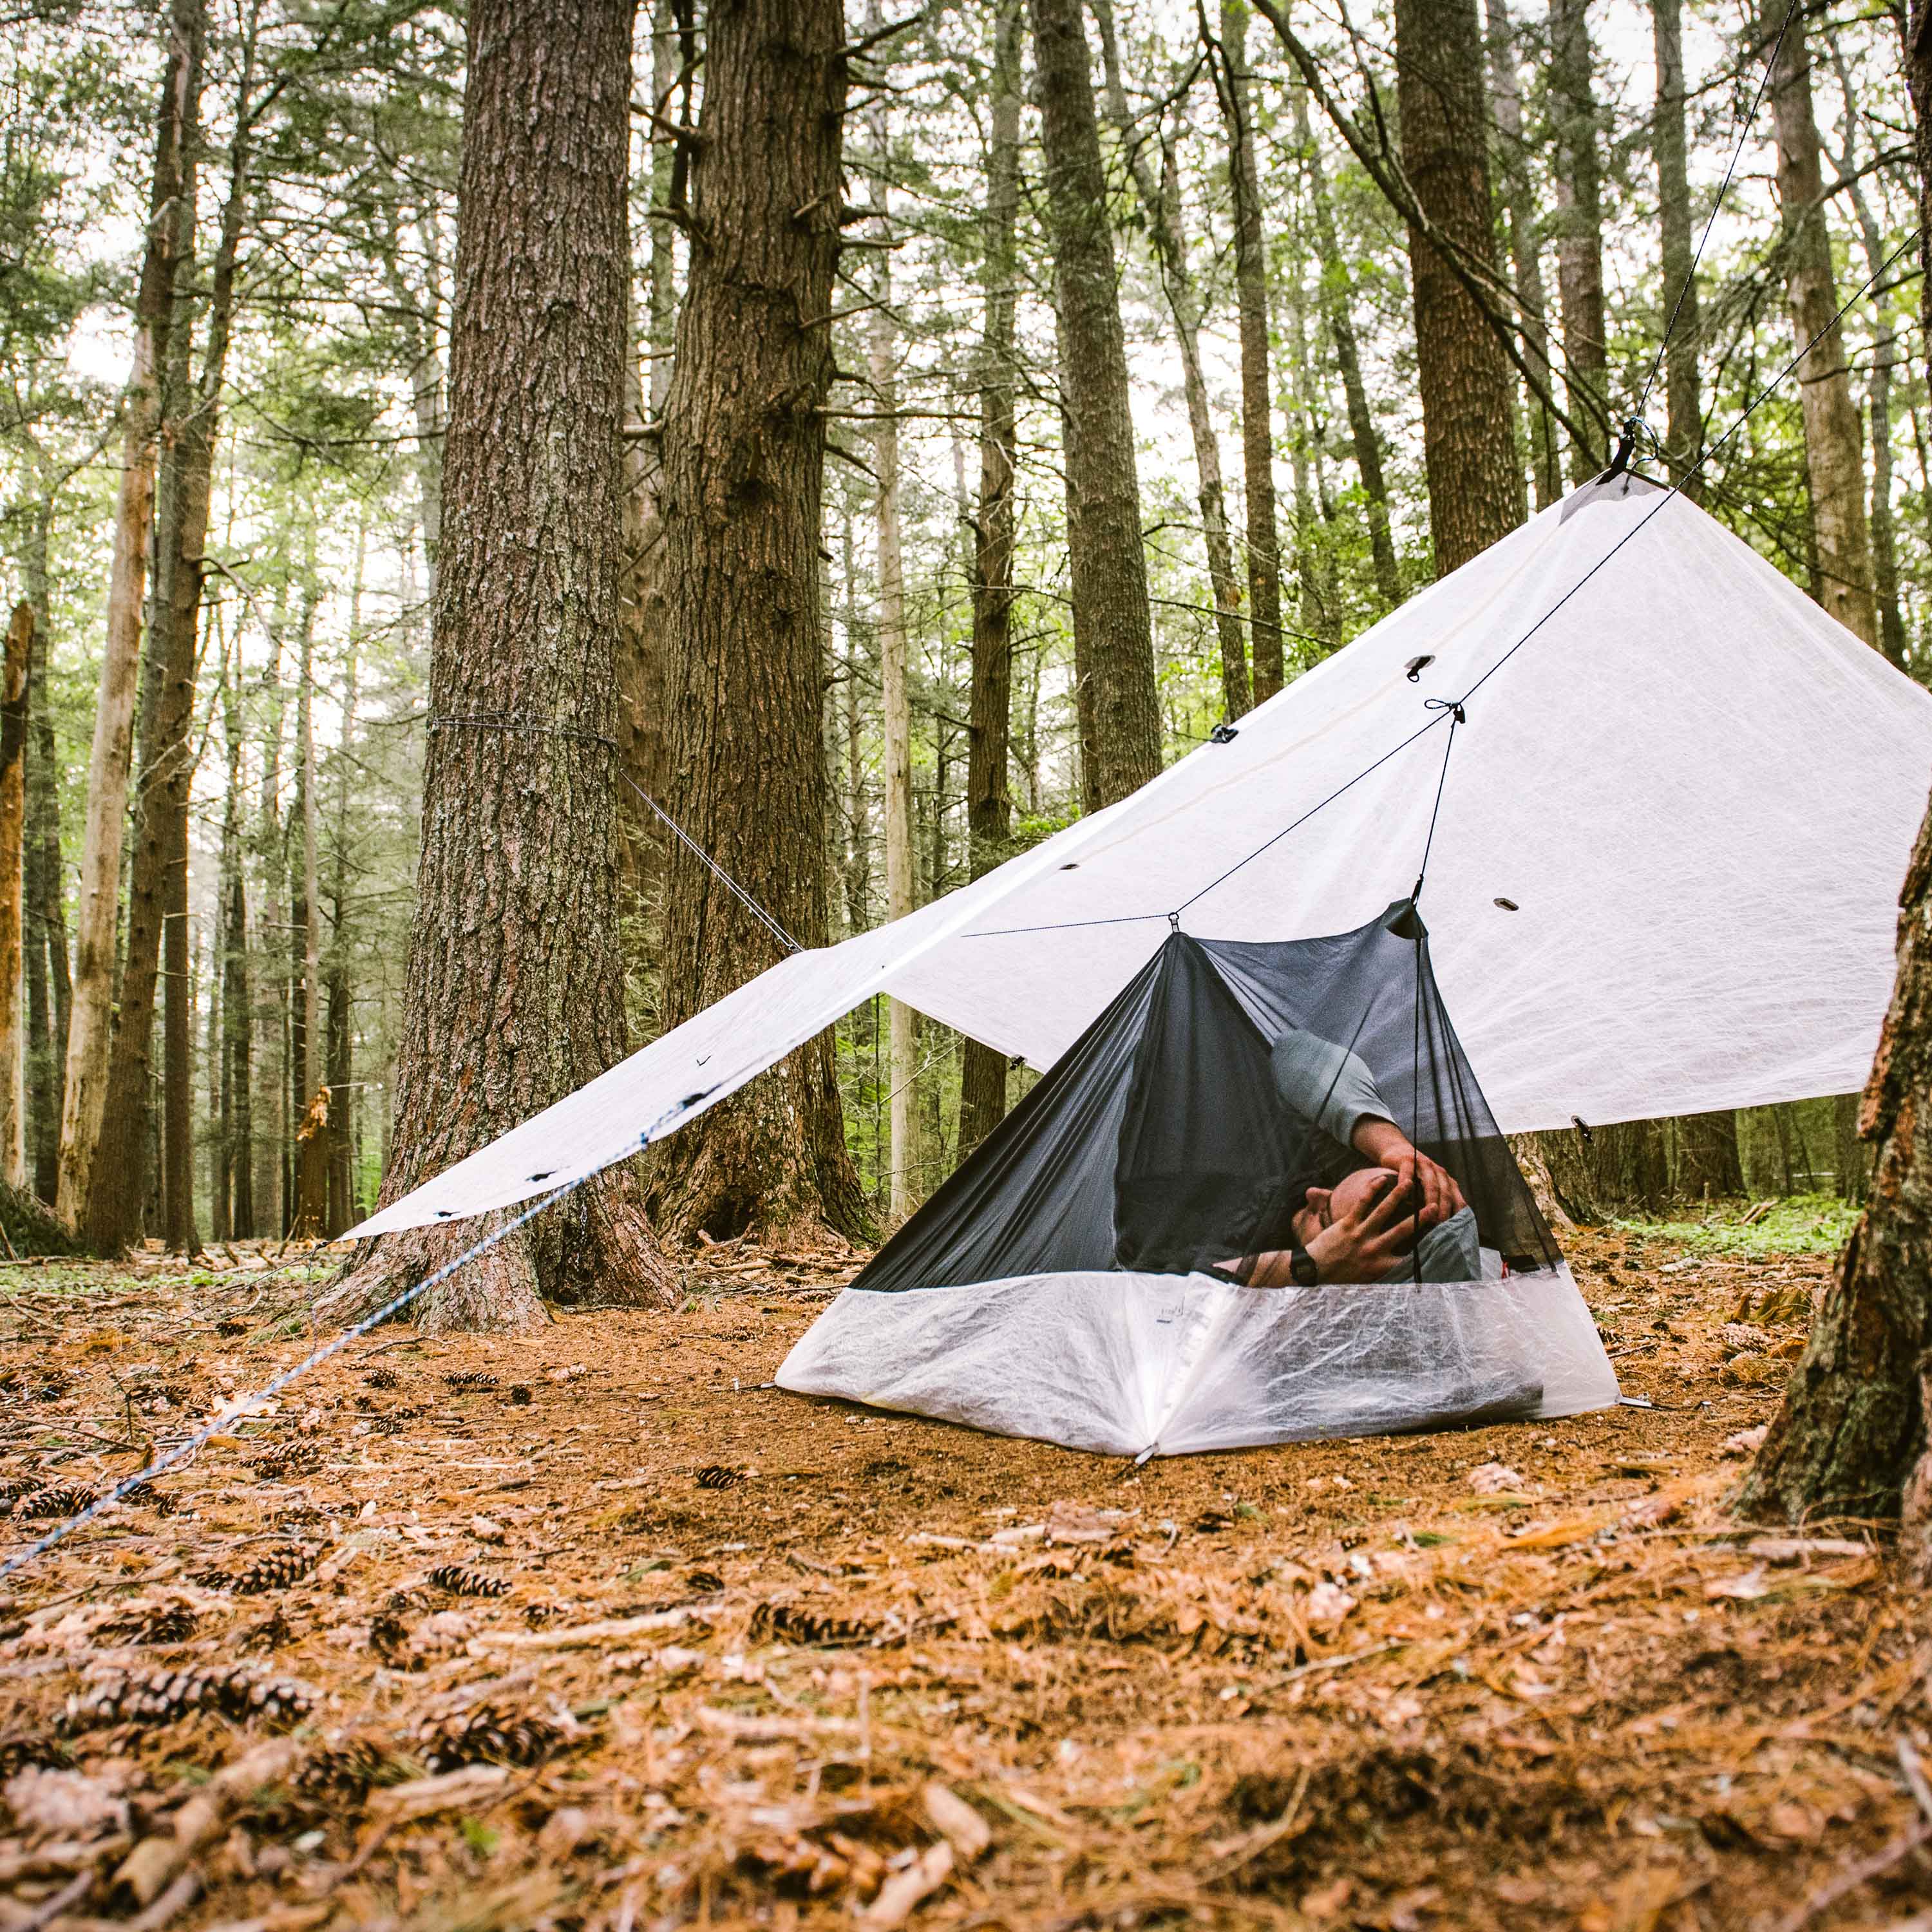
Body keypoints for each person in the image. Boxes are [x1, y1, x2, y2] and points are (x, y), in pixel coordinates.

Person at [1213, 1025, 1473, 1287]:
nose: (1313, 1193)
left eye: (1324, 1216)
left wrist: (1306, 1268)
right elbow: (1293, 1049)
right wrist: (1391, 1146)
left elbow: (1180, 1291)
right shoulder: (1361, 1198)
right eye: (1333, 1187)